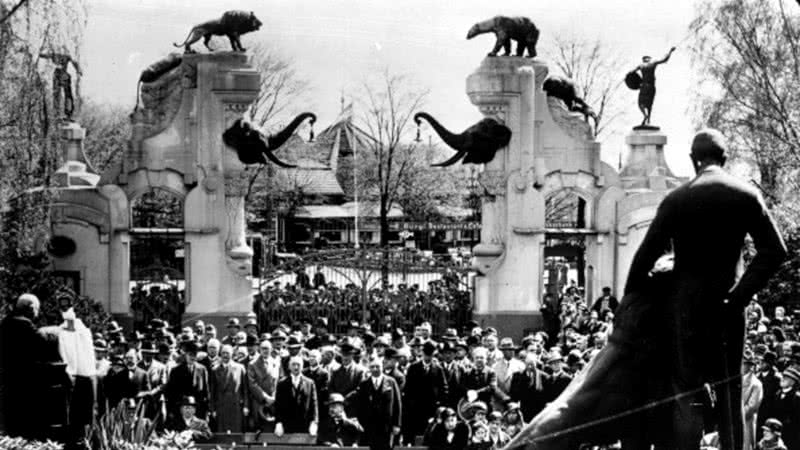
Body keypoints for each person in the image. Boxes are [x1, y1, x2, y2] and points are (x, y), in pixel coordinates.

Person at [622, 129, 788, 450]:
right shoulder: (745, 195)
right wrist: (739, 296)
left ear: (692, 159)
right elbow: (775, 250)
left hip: (684, 313)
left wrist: (635, 314)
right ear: (725, 158)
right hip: (728, 311)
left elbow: (642, 261)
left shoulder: (677, 199)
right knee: (730, 393)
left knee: (688, 395)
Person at [0, 294, 47, 439]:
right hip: (26, 381)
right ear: (31, 309)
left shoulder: (5, 323)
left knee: (11, 424)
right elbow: (43, 342)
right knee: (26, 425)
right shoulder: (25, 325)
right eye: (37, 309)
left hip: (8, 379)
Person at [402, 340, 448, 444]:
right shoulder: (413, 368)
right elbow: (408, 388)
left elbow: (444, 388)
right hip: (415, 408)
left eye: (430, 355)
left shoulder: (438, 369)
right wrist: (409, 404)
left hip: (431, 408)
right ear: (422, 353)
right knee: (414, 434)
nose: (428, 357)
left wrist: (440, 404)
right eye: (426, 354)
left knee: (428, 434)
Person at [354, 356, 402, 450]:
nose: (375, 369)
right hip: (369, 426)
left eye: (377, 366)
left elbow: (397, 404)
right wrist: (361, 423)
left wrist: (397, 424)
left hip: (387, 426)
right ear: (369, 368)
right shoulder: (364, 384)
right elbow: (359, 406)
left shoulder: (391, 382)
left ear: (382, 367)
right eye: (372, 367)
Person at [274, 356, 319, 436]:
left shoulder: (310, 383)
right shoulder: (282, 383)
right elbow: (278, 405)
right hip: (287, 425)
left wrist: (314, 422)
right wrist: (278, 423)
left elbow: (314, 404)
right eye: (293, 364)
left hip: (304, 425)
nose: (296, 367)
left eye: (298, 365)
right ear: (289, 367)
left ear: (302, 366)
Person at [165, 341, 210, 421]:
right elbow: (171, 393)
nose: (192, 357)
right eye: (190, 355)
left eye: (194, 355)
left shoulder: (202, 369)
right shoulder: (176, 371)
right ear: (185, 355)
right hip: (181, 409)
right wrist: (171, 410)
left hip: (198, 409)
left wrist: (206, 410)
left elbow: (205, 391)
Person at [630, 47, 675, 126]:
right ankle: (648, 120)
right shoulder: (653, 63)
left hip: (644, 86)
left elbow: (631, 72)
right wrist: (670, 51)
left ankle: (645, 115)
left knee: (641, 103)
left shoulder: (641, 66)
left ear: (644, 60)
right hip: (651, 87)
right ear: (649, 59)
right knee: (650, 104)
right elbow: (664, 59)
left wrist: (627, 76)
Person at [209, 345, 248, 433]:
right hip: (221, 406)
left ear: (232, 354)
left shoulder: (240, 368)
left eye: (227, 353)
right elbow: (212, 392)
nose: (225, 355)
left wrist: (246, 406)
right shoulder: (215, 370)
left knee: (236, 432)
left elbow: (245, 389)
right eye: (223, 353)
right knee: (222, 433)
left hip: (236, 406)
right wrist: (213, 409)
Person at [761, 367, 800, 450]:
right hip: (775, 434)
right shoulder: (777, 394)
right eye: (783, 376)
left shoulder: (797, 398)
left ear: (793, 382)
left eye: (786, 378)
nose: (782, 379)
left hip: (790, 436)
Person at [509, 353, 550, 422]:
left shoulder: (544, 377)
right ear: (525, 363)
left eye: (532, 363)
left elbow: (547, 395)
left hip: (539, 412)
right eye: (528, 363)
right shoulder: (517, 376)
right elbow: (513, 395)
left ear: (536, 363)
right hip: (524, 412)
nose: (530, 366)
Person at [247, 339, 278, 430]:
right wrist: (265, 397)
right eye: (263, 348)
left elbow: (279, 381)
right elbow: (252, 384)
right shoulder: (252, 364)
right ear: (259, 349)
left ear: (271, 349)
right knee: (258, 428)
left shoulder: (276, 363)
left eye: (267, 348)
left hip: (273, 401)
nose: (265, 351)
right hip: (259, 401)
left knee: (271, 428)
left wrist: (273, 396)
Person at [329, 342, 365, 416]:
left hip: (352, 407)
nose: (345, 357)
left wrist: (345, 399)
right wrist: (337, 399)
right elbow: (331, 387)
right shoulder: (335, 371)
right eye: (343, 355)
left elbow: (359, 388)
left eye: (348, 355)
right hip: (337, 407)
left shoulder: (359, 371)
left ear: (352, 355)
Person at [743, 351, 764, 450]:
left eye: (744, 364)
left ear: (750, 366)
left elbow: (752, 407)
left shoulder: (756, 384)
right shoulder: (734, 381)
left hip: (746, 422)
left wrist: (737, 415)